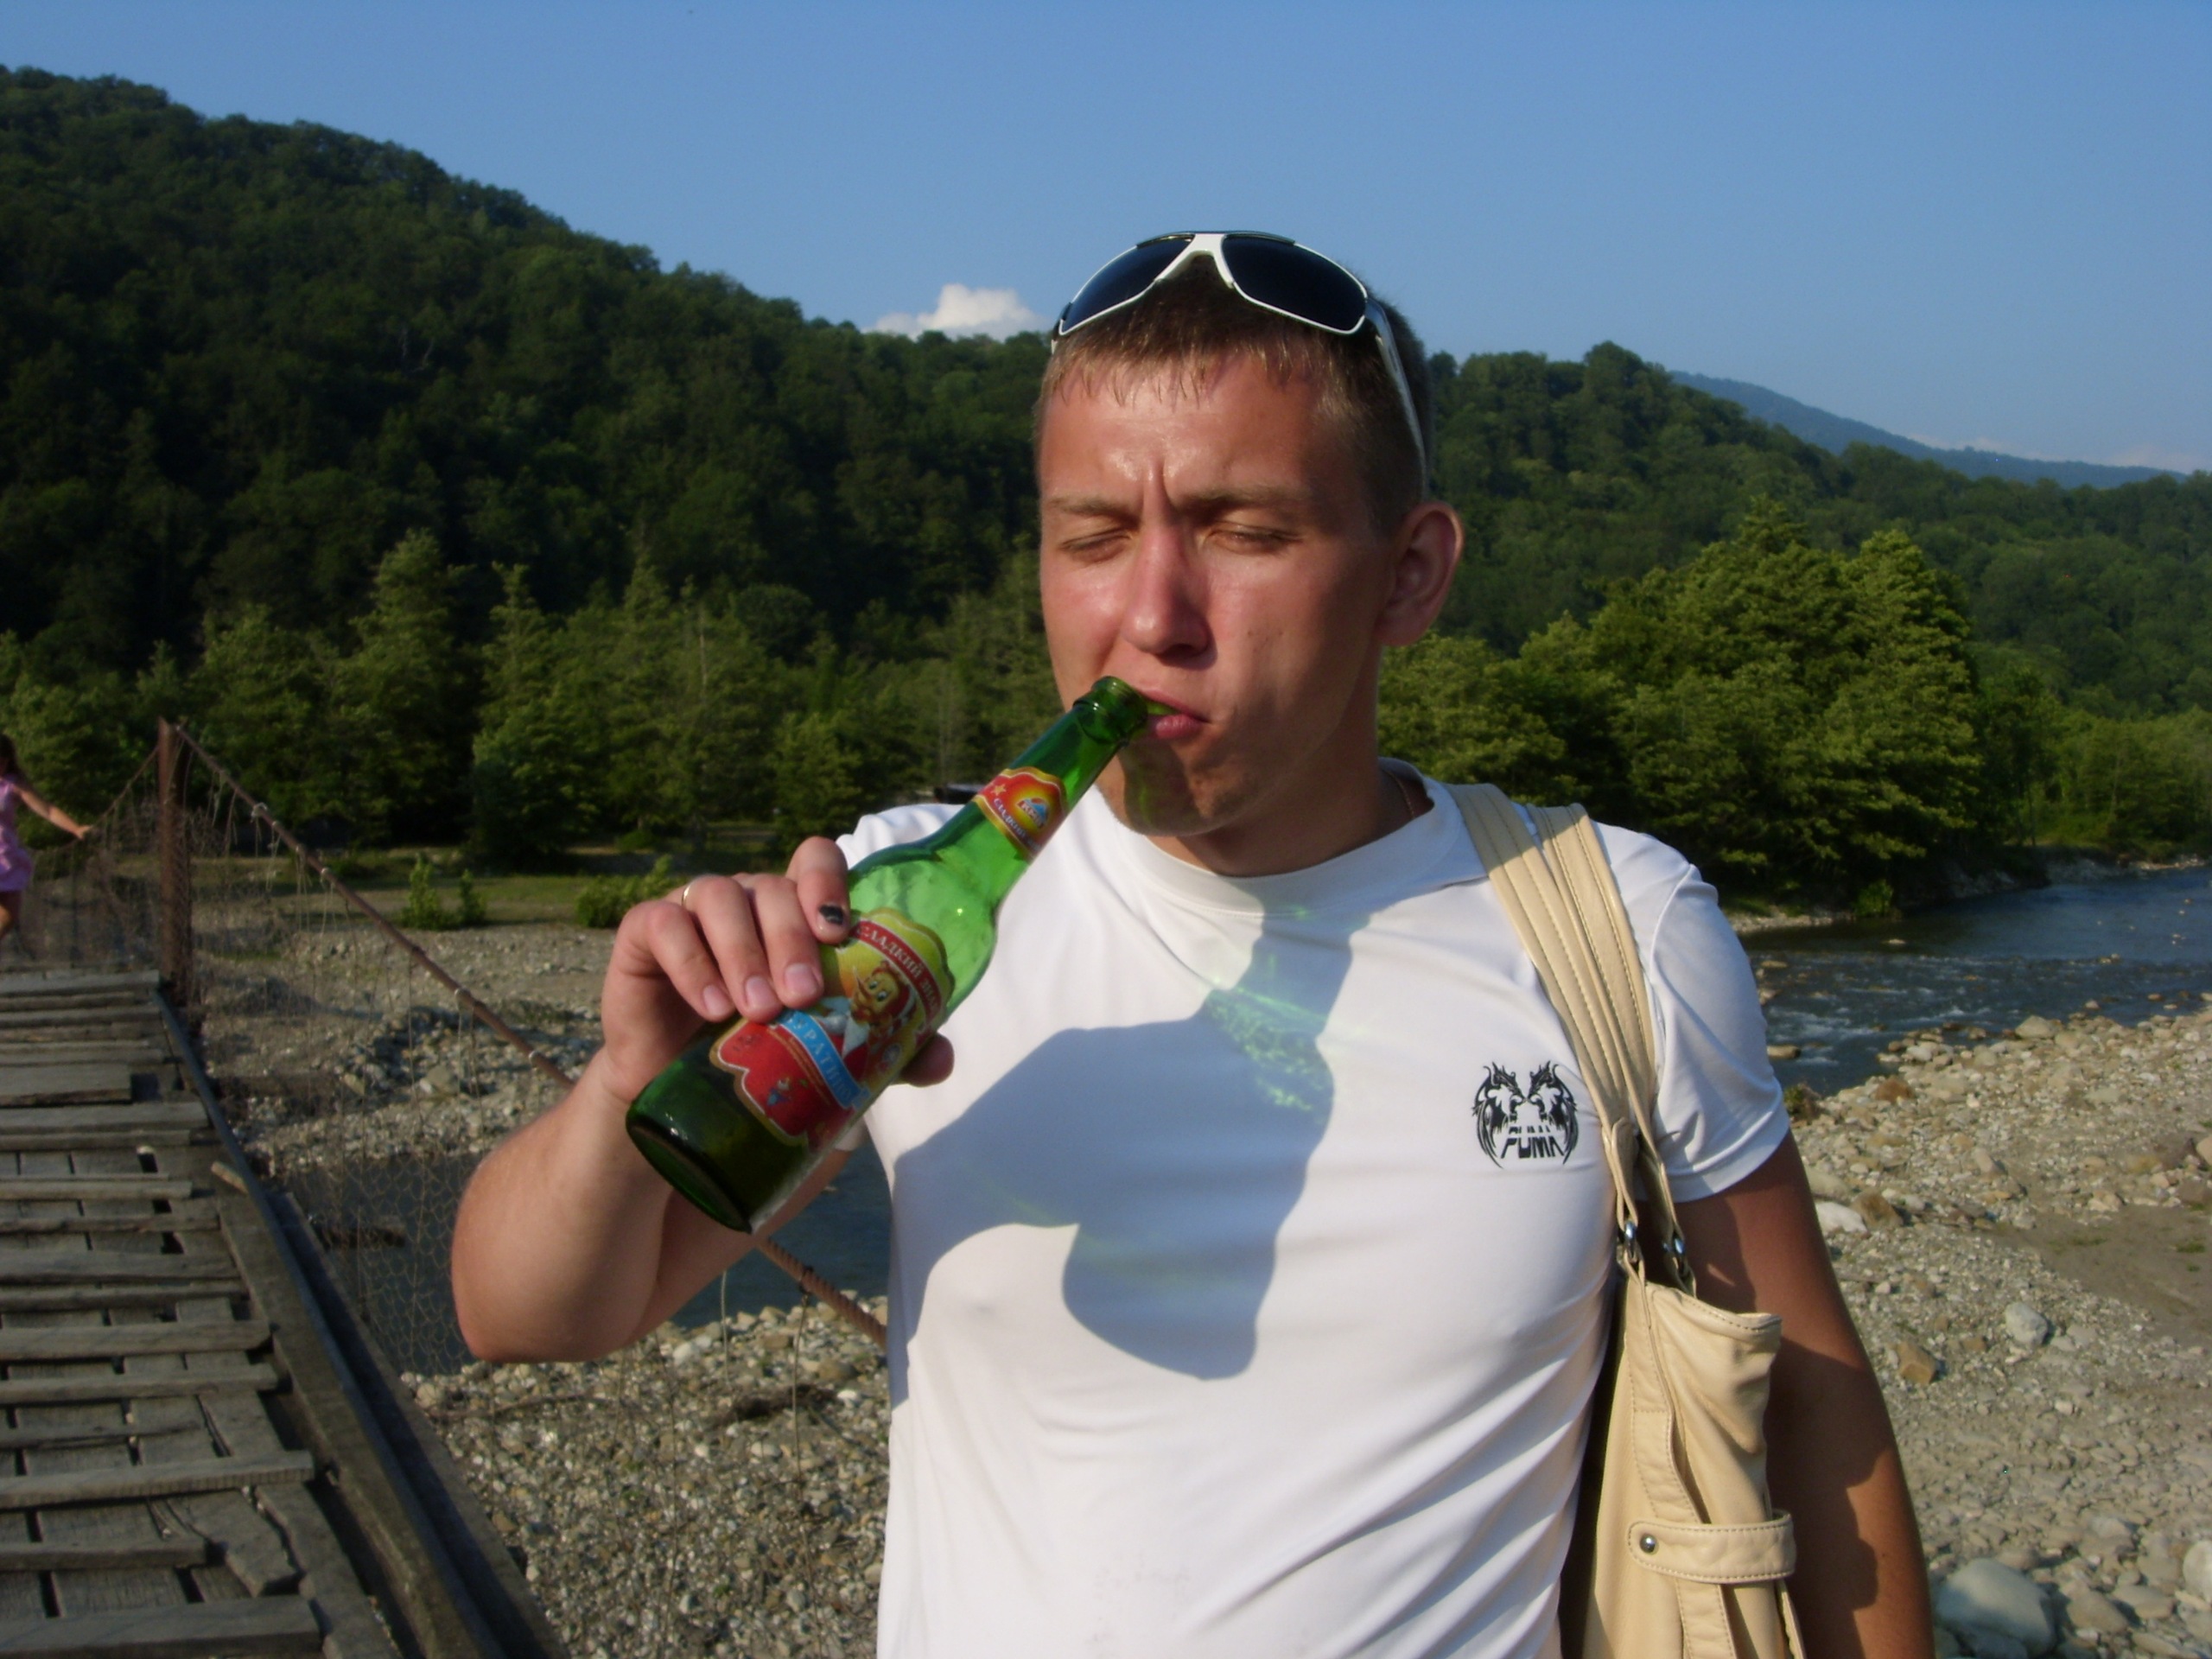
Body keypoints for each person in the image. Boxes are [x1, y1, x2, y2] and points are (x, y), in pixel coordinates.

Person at [452, 232, 1930, 1659]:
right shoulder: (896, 917)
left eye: (1244, 531)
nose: (1151, 616)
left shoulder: (1610, 925)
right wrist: (628, 1093)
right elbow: (524, 1314)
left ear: (1411, 573)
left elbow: (1810, 1397)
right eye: (1092, 537)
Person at [0, 733, 93, 947]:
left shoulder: (12, 785)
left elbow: (48, 810)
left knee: (8, 917)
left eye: (2, 762)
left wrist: (75, 828)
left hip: (5, 856)